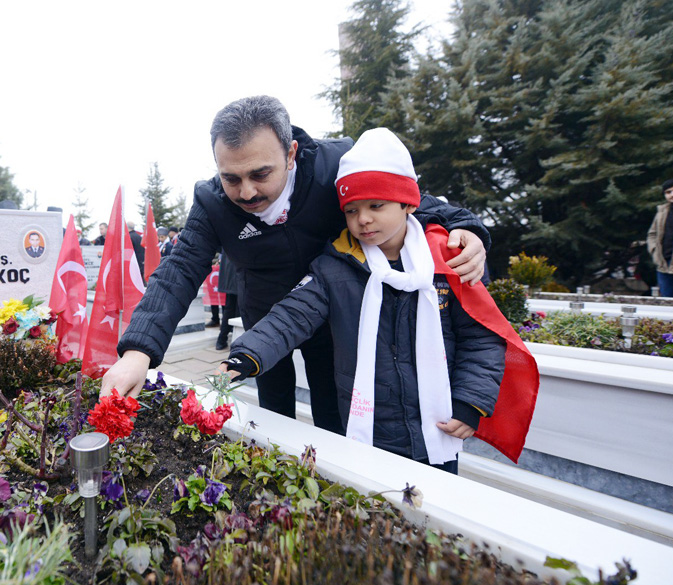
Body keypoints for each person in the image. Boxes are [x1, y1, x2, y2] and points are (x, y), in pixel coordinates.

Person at [101, 96, 488, 435]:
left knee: (334, 415)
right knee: (272, 414)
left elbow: (408, 199)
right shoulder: (212, 202)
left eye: (260, 174)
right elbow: (179, 269)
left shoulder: (338, 164)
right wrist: (138, 353)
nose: (247, 192)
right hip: (266, 323)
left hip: (337, 320)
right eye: (231, 178)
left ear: (290, 153)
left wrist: (466, 228)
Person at [221, 128, 505, 473]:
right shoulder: (335, 265)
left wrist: (470, 402)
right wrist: (248, 353)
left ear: (408, 203)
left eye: (376, 205)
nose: (363, 219)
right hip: (365, 427)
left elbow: (482, 336)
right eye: (352, 210)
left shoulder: (449, 261)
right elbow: (292, 316)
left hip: (438, 429)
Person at [647, 178, 673, 298]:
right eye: (668, 192)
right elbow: (652, 234)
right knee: (670, 306)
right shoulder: (662, 212)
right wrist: (654, 252)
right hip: (665, 266)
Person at [215, 251, 238, 351]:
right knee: (237, 309)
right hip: (239, 276)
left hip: (230, 276)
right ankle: (226, 340)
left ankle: (221, 340)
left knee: (229, 309)